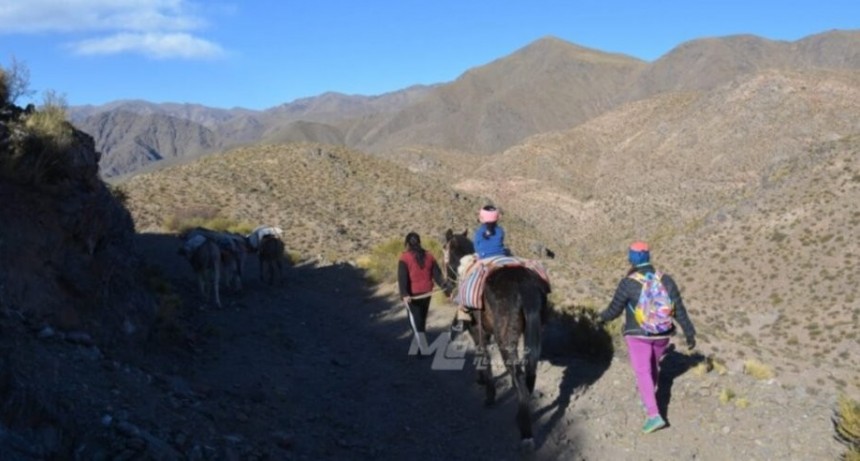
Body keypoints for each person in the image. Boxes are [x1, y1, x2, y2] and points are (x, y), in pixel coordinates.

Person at [597, 241, 697, 434]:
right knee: (653, 366)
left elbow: (614, 310)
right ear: (648, 256)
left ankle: (653, 415)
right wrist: (689, 332)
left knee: (643, 371)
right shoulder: (666, 280)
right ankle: (650, 396)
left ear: (632, 258)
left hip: (638, 334)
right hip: (662, 334)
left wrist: (598, 319)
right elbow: (679, 310)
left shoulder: (628, 282)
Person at [398, 232, 451, 355]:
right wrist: (446, 290)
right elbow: (438, 276)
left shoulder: (404, 257)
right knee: (421, 319)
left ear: (407, 244)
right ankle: (421, 346)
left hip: (413, 295)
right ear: (419, 242)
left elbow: (402, 277)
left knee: (415, 322)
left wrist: (404, 294)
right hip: (427, 293)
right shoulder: (429, 256)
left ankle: (422, 349)